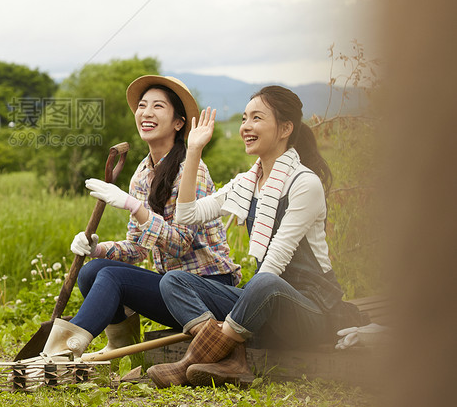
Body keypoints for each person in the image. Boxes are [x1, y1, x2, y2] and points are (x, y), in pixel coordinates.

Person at [147, 86, 366, 388]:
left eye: (257, 118)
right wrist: (194, 150)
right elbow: (186, 215)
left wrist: (240, 309)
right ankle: (233, 358)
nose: (246, 127)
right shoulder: (247, 183)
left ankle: (191, 362)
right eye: (244, 118)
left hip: (311, 313)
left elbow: (275, 261)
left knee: (265, 282)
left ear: (285, 128)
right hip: (263, 307)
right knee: (173, 281)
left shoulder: (304, 183)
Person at [35, 75, 241, 361]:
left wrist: (135, 207)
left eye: (158, 107)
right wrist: (97, 248)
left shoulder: (192, 170)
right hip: (172, 286)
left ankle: (60, 355)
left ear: (179, 122)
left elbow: (180, 244)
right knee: (92, 271)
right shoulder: (143, 174)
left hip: (207, 290)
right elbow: (138, 247)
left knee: (109, 276)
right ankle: (120, 347)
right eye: (142, 106)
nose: (146, 113)